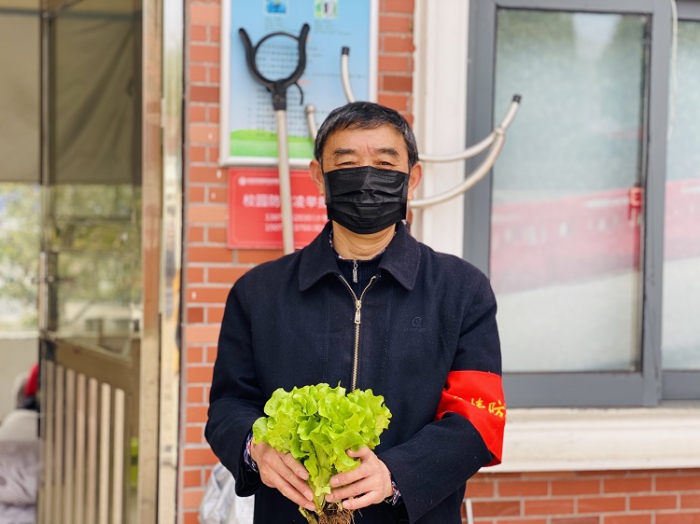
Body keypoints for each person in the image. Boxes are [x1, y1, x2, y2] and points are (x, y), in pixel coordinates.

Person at [206, 101, 505, 524]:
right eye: (347, 163)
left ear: (412, 177)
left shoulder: (462, 291)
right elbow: (228, 405)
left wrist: (395, 474)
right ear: (318, 176)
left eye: (384, 163)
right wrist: (256, 448)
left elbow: (479, 417)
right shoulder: (258, 293)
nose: (367, 178)